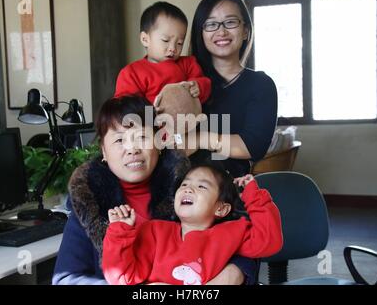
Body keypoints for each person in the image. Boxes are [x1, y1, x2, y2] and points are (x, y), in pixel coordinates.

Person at [52, 95, 259, 285]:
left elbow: (247, 235)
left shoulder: (191, 185)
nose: (132, 149)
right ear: (104, 152)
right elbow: (66, 279)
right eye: (119, 140)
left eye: (142, 137)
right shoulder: (90, 200)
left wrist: (235, 272)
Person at [102, 163, 283, 285]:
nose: (188, 188)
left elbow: (269, 240)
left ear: (221, 209)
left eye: (202, 186)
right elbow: (122, 277)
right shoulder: (154, 231)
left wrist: (253, 196)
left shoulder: (231, 233)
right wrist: (119, 232)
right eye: (184, 185)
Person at [187, 0, 278, 178]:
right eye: (211, 24)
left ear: (245, 30)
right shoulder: (186, 83)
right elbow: (166, 136)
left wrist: (199, 139)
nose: (221, 31)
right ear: (201, 33)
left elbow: (252, 146)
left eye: (230, 22)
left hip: (230, 192)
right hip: (180, 189)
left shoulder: (261, 85)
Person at [114, 1, 211, 108]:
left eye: (179, 43)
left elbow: (205, 83)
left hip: (189, 121)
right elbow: (124, 107)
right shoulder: (132, 73)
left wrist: (198, 86)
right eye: (165, 40)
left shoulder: (188, 64)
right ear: (145, 39)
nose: (173, 48)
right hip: (151, 122)